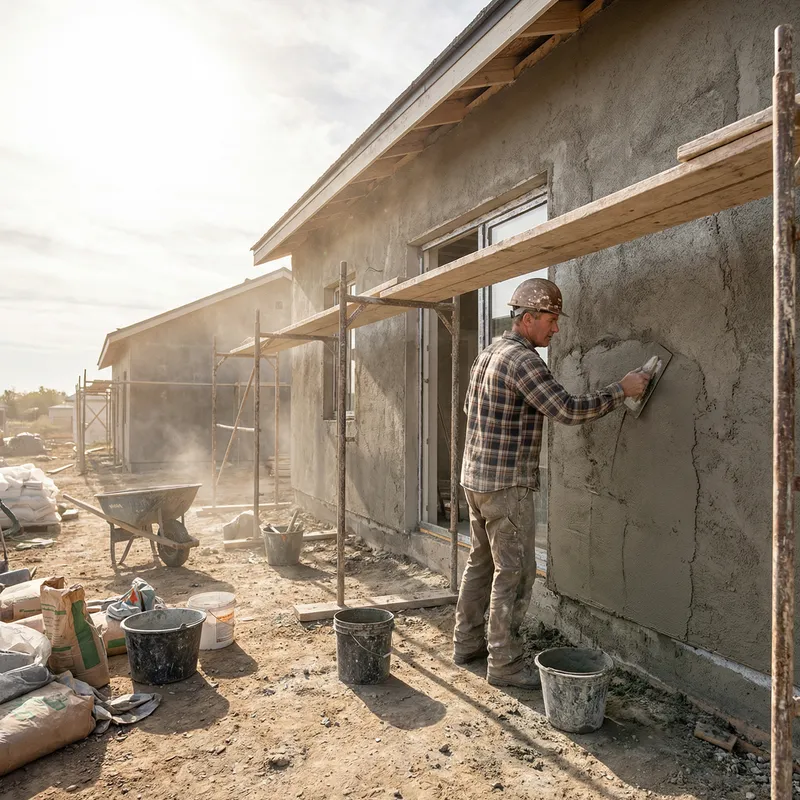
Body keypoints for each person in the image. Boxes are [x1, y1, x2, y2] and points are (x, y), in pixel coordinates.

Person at [452, 277, 650, 688]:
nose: (556, 329)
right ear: (528, 318)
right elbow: (567, 409)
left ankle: (465, 643)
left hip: (475, 480)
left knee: (481, 563)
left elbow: (470, 409)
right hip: (506, 486)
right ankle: (504, 663)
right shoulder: (524, 361)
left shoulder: (487, 354)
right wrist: (621, 389)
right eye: (551, 320)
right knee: (515, 573)